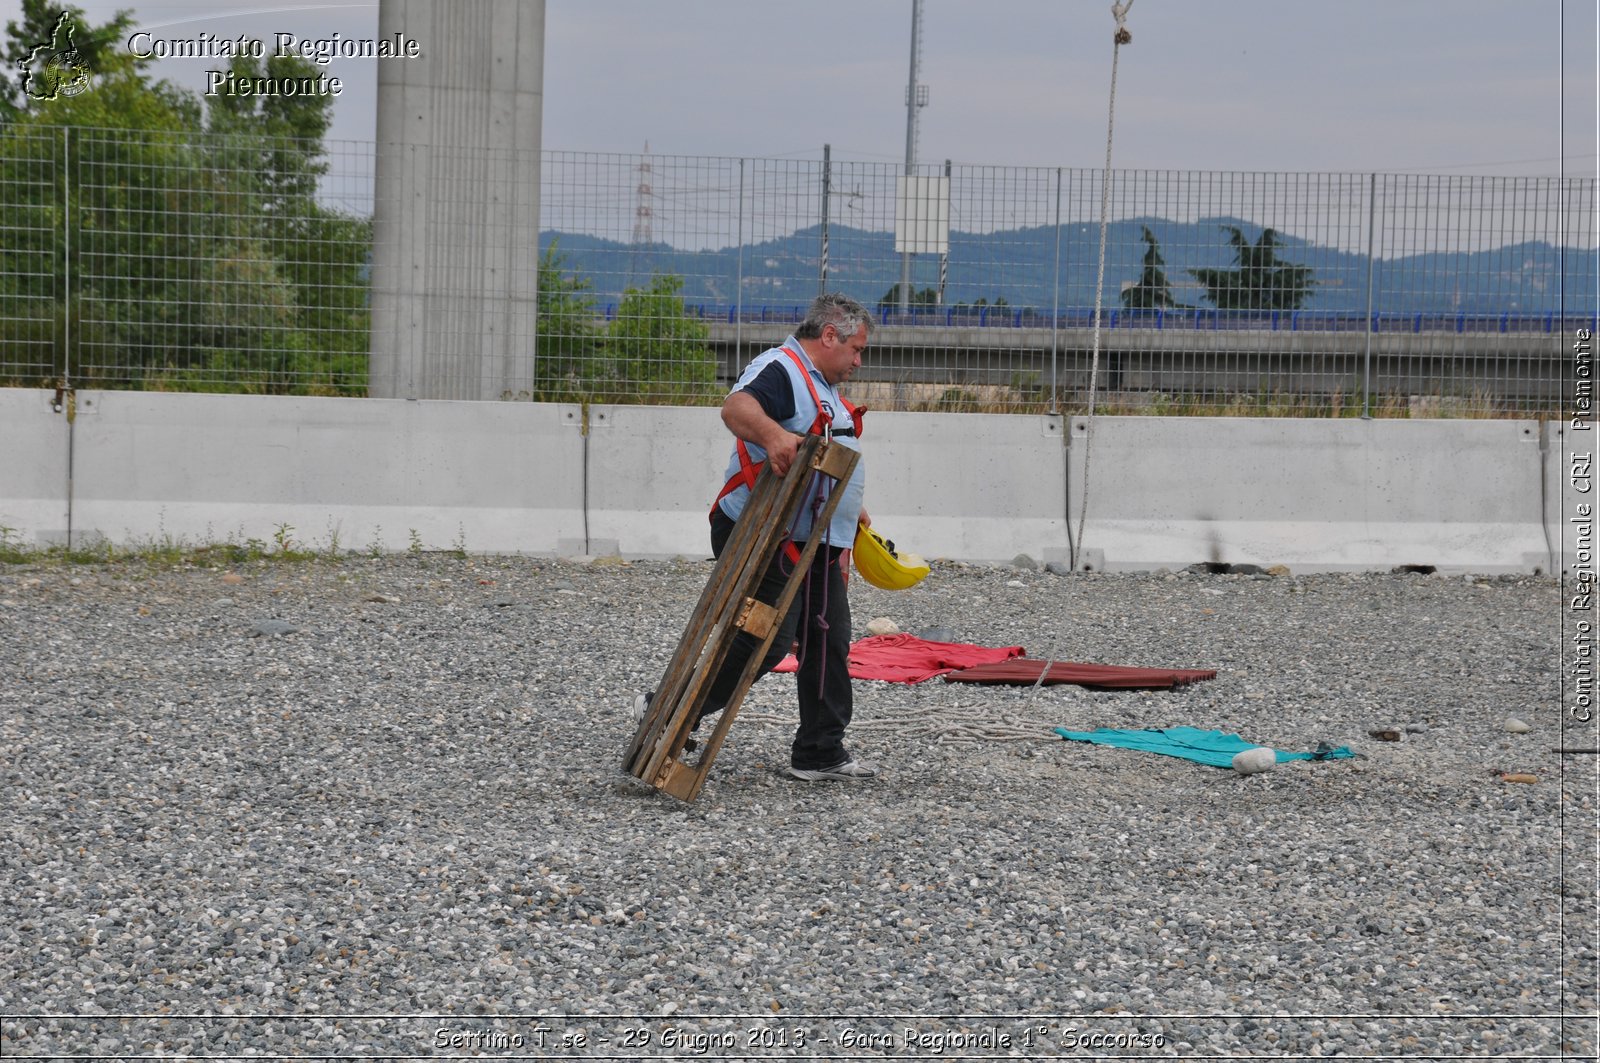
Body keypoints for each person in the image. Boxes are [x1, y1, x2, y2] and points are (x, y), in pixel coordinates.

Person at [635, 293, 877, 781]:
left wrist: (849, 515)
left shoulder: (821, 385)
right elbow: (737, 407)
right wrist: (772, 437)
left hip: (816, 540)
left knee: (827, 639)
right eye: (855, 348)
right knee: (767, 640)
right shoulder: (782, 369)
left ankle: (820, 751)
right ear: (829, 335)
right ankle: (667, 708)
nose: (858, 360)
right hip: (762, 531)